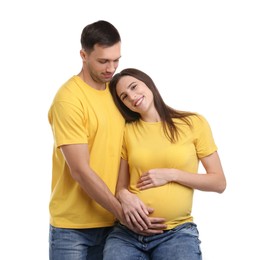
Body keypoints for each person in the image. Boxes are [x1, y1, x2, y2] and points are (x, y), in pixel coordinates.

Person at [48, 21, 165, 260]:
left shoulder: (118, 92)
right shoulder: (69, 100)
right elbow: (80, 170)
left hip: (117, 227)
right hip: (74, 229)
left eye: (116, 60)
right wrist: (122, 212)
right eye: (103, 61)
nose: (111, 68)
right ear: (83, 55)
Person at [103, 68, 227, 260]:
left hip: (176, 233)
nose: (133, 97)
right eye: (124, 97)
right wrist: (124, 195)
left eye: (134, 87)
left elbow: (219, 182)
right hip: (127, 234)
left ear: (148, 83)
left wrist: (172, 174)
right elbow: (121, 186)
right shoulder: (126, 132)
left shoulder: (193, 123)